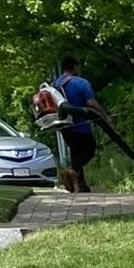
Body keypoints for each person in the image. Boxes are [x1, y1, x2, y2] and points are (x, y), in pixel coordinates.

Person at [53, 56, 103, 192]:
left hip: (64, 126)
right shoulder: (82, 83)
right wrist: (103, 114)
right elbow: (91, 103)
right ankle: (72, 171)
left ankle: (80, 186)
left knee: (76, 152)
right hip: (81, 125)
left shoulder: (56, 84)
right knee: (89, 150)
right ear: (75, 67)